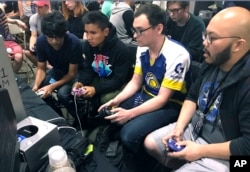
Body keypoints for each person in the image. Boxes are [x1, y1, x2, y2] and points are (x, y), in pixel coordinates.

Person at [144, 6, 250, 172]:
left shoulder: (246, 83)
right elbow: (192, 97)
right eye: (205, 35)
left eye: (212, 38)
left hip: (224, 150)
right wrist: (179, 129)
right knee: (151, 144)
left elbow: (246, 145)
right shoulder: (211, 62)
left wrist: (200, 151)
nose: (204, 42)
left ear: (238, 45)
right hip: (195, 131)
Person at [99, 3, 190, 157]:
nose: (135, 36)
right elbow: (135, 82)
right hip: (147, 94)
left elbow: (162, 99)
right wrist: (116, 100)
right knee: (108, 111)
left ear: (159, 28)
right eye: (134, 30)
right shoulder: (142, 47)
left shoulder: (178, 55)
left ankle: (136, 159)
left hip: (171, 104)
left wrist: (130, 114)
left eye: (140, 31)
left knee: (129, 134)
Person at [62, 10, 130, 129]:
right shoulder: (88, 45)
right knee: (65, 93)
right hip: (96, 79)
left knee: (106, 98)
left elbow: (118, 80)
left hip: (113, 84)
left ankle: (103, 126)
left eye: (93, 33)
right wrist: (80, 82)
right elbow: (88, 69)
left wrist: (95, 89)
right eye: (86, 32)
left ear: (106, 32)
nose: (88, 37)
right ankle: (84, 121)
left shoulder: (121, 50)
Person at [32, 11, 83, 116]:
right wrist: (36, 86)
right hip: (58, 70)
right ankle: (58, 117)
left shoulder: (74, 42)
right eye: (50, 37)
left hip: (76, 72)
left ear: (64, 33)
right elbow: (41, 68)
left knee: (62, 94)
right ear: (45, 35)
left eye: (58, 37)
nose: (55, 41)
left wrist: (52, 87)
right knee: (40, 91)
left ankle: (81, 119)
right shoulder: (41, 41)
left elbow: (72, 74)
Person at [23, 0, 51, 67]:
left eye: (40, 7)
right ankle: (43, 67)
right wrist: (32, 45)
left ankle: (46, 67)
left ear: (47, 7)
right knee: (27, 51)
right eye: (36, 7)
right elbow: (33, 36)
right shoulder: (33, 18)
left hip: (53, 42)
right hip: (43, 42)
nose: (37, 9)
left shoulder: (53, 17)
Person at [0, 5, 27, 73]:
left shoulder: (1, 7)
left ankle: (12, 76)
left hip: (8, 40)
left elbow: (5, 18)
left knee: (18, 57)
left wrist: (16, 21)